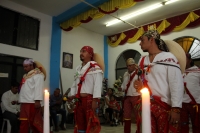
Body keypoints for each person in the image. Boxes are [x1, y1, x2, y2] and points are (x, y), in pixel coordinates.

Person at [134, 30, 184, 133]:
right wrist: (140, 87)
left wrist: (176, 109)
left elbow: (176, 84)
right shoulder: (142, 60)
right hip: (146, 105)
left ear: (151, 40)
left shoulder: (168, 58)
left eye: (142, 40)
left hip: (165, 107)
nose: (140, 43)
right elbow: (143, 83)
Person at [68, 46, 103, 133]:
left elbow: (98, 85)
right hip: (79, 100)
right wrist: (72, 95)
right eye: (80, 51)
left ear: (90, 54)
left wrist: (95, 100)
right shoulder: (78, 68)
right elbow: (75, 83)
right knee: (80, 123)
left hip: (89, 100)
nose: (81, 53)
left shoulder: (95, 67)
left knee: (90, 123)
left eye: (84, 51)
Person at [19, 59, 45, 133]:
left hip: (32, 102)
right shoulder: (26, 76)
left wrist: (37, 101)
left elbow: (39, 88)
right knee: (23, 121)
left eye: (26, 66)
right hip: (24, 102)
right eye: (24, 67)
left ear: (31, 65)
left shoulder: (38, 75)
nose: (24, 68)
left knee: (34, 123)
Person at [179, 53, 200, 133]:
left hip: (196, 103)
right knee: (183, 125)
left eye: (185, 59)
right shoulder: (179, 72)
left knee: (197, 125)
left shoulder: (198, 72)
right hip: (182, 103)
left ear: (190, 60)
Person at [119, 58, 141, 133]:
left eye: (130, 66)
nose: (129, 67)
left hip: (136, 96)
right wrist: (120, 88)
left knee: (138, 116)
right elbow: (124, 85)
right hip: (127, 97)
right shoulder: (125, 74)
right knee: (126, 116)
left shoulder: (139, 73)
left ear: (134, 65)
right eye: (127, 66)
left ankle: (139, 131)